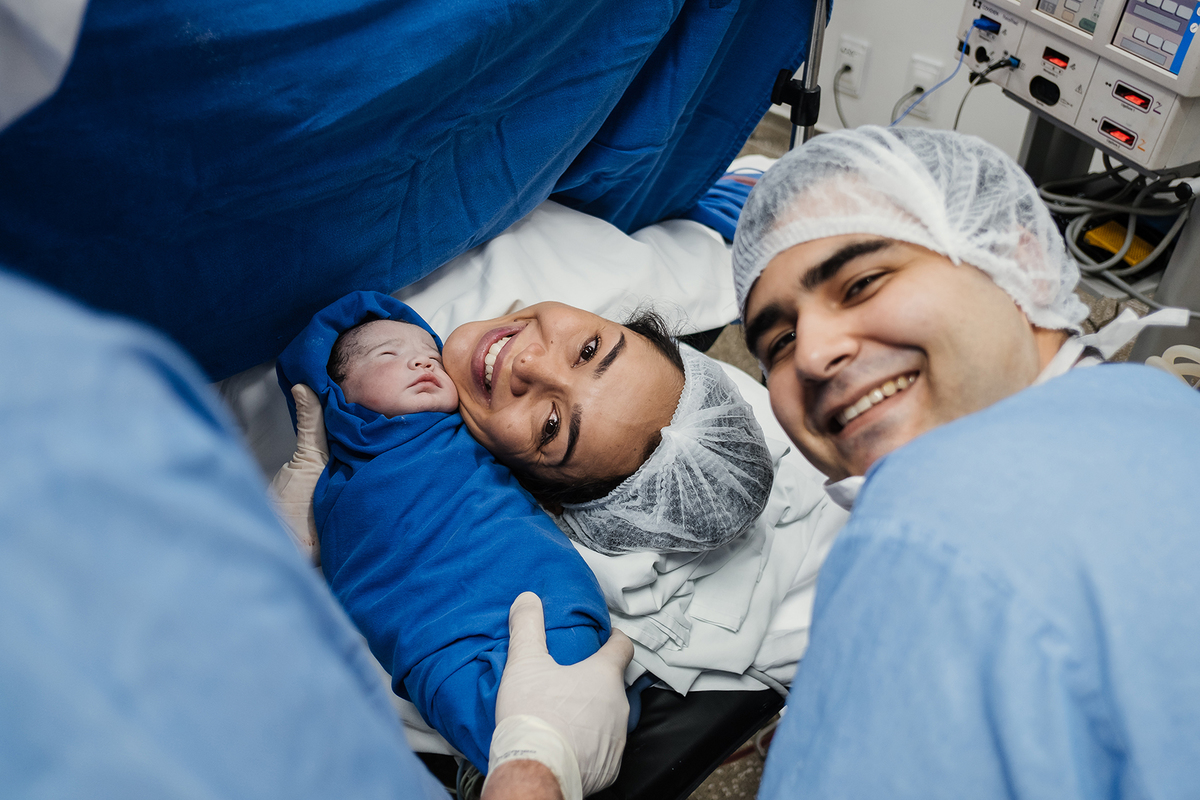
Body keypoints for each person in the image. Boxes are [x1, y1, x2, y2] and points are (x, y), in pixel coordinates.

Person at [728, 125, 1200, 798]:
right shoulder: (1159, 405)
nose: (812, 354)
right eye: (778, 342)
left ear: (1019, 258)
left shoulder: (921, 526)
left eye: (862, 283)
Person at [274, 291, 614, 783]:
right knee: (486, 718)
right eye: (388, 354)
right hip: (437, 634)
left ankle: (535, 756)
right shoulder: (336, 487)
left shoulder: (470, 433)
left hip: (537, 589)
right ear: (338, 391)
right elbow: (359, 574)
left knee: (576, 675)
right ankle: (515, 767)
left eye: (431, 356)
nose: (422, 362)